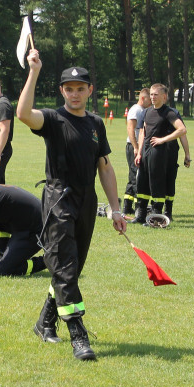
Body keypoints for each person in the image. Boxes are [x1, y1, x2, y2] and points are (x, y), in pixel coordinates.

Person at [17, 51, 127, 361]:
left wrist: (115, 209)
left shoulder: (95, 123)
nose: (75, 94)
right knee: (65, 267)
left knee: (71, 268)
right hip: (59, 199)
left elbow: (105, 167)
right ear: (62, 91)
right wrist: (34, 71)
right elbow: (23, 113)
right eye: (69, 89)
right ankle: (78, 335)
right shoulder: (53, 119)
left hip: (87, 201)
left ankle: (44, 322)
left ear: (90, 90)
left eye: (80, 89)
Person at [133, 83, 189, 224]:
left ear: (164, 97)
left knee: (156, 183)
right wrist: (139, 152)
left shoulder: (168, 112)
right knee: (142, 182)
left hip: (158, 152)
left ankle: (156, 216)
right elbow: (143, 132)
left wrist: (163, 139)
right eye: (151, 94)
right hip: (145, 151)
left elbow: (182, 130)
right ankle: (140, 215)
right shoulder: (146, 112)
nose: (152, 97)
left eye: (156, 95)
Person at [121, 87, 151, 215]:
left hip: (138, 147)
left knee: (133, 176)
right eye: (150, 99)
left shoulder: (143, 110)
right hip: (133, 146)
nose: (151, 101)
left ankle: (127, 206)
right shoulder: (136, 110)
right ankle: (139, 207)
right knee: (136, 177)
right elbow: (130, 129)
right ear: (143, 98)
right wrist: (136, 147)